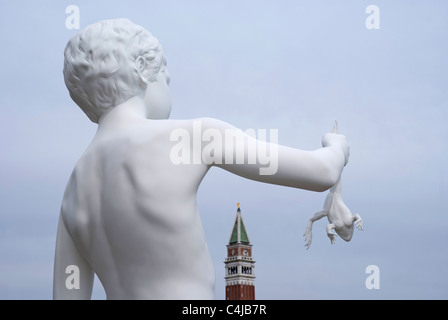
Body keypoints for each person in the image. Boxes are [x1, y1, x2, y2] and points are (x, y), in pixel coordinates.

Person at [53, 18, 350, 299]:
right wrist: (336, 146)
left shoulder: (74, 189)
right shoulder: (193, 137)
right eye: (164, 70)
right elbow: (321, 173)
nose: (168, 78)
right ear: (143, 69)